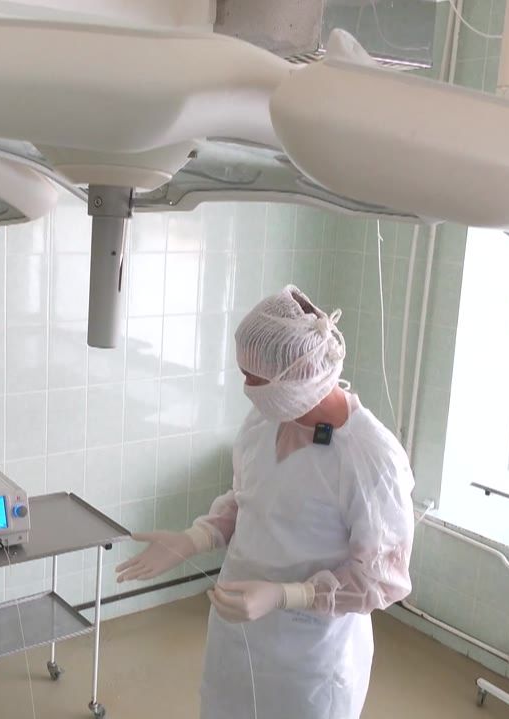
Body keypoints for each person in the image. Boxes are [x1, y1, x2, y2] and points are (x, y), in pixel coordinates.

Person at [115, 284, 416, 719]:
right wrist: (194, 538)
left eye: (255, 378)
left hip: (309, 658)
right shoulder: (267, 419)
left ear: (298, 374)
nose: (246, 387)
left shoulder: (371, 459)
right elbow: (249, 500)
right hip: (237, 636)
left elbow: (380, 579)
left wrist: (287, 595)